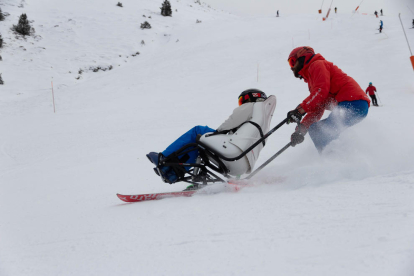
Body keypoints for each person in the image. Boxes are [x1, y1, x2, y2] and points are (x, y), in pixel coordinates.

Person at [147, 89, 276, 184]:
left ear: (251, 98)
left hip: (233, 152)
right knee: (201, 144)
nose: (241, 104)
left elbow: (228, 124)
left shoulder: (253, 106)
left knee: (198, 132)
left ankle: (164, 159)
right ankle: (182, 174)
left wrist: (216, 133)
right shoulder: (264, 121)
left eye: (242, 101)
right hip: (241, 165)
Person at [286, 46, 370, 153]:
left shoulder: (317, 65)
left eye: (292, 62)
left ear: (302, 57)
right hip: (355, 106)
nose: (291, 67)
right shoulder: (313, 78)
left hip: (352, 103)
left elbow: (321, 92)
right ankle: (337, 157)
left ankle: (332, 159)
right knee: (318, 130)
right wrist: (301, 130)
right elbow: (318, 107)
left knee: (320, 132)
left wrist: (300, 110)